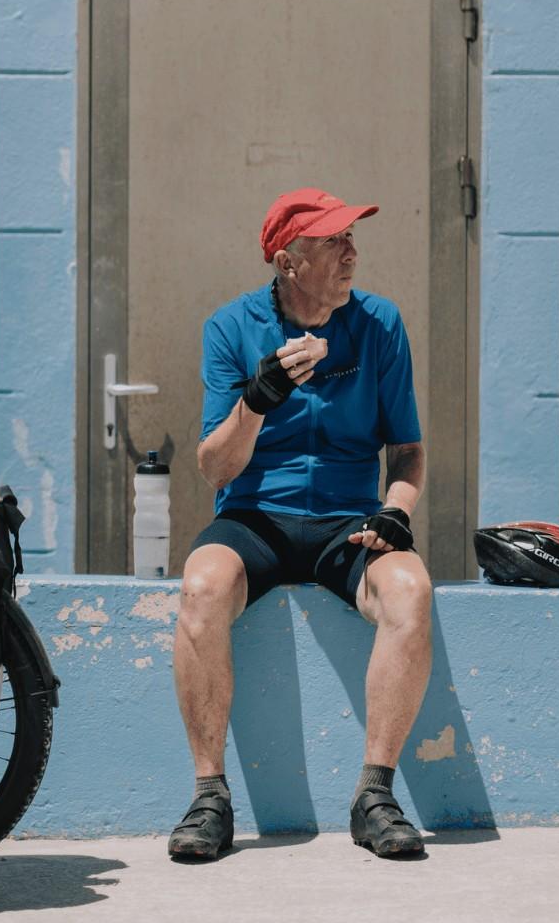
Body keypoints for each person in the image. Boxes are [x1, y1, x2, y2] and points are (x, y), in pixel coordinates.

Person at [168, 187, 433, 861]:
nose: (353, 252)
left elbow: (406, 450)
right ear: (289, 261)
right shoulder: (231, 328)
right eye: (335, 241)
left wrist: (395, 510)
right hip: (255, 517)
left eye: (352, 237)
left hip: (350, 521)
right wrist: (257, 401)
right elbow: (213, 469)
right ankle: (208, 800)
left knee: (411, 590)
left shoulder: (380, 324)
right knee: (200, 586)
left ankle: (375, 796)